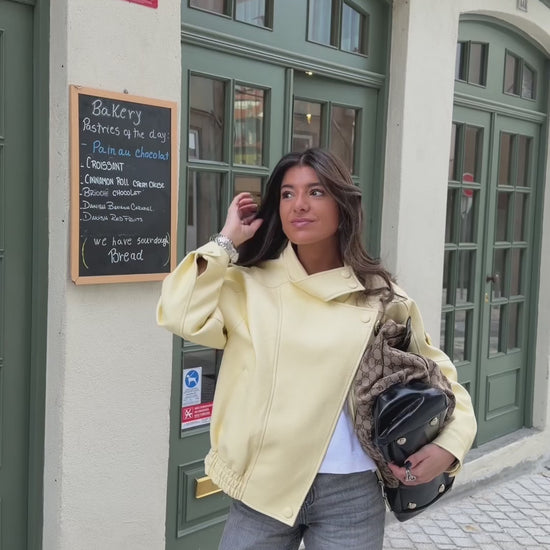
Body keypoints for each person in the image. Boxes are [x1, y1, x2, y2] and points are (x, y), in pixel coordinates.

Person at [157, 148, 477, 550]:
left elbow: (441, 378)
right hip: (261, 487)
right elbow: (178, 313)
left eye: (316, 192)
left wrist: (450, 446)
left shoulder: (380, 297)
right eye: (287, 194)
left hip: (350, 492)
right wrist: (226, 242)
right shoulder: (247, 286)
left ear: (342, 206)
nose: (299, 205)